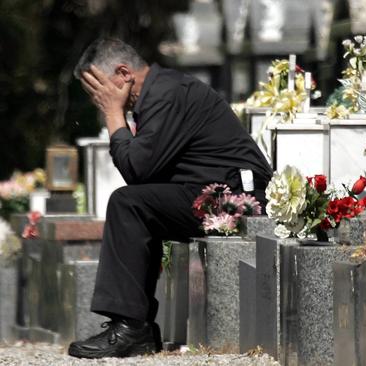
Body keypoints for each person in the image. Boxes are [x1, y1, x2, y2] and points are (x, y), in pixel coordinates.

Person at [68, 38, 272, 358]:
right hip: (206, 193)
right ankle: (134, 328)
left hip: (235, 200)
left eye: (100, 90)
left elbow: (137, 169)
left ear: (123, 73)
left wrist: (112, 113)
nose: (99, 100)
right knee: (135, 203)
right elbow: (148, 172)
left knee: (128, 203)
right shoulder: (160, 92)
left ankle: (132, 328)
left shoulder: (167, 93)